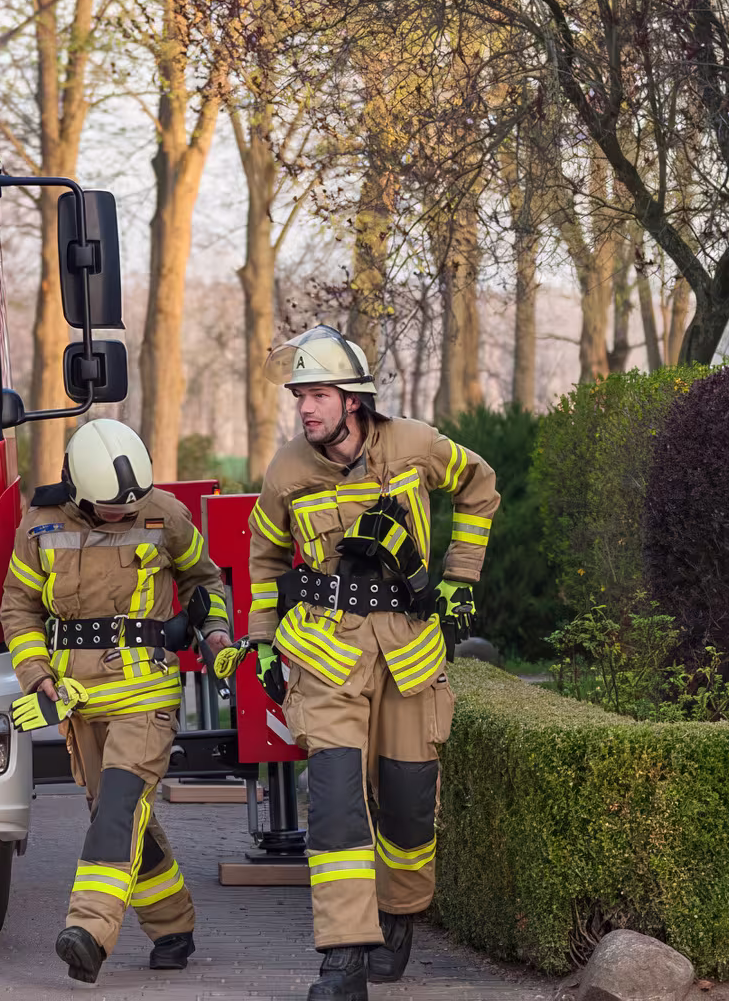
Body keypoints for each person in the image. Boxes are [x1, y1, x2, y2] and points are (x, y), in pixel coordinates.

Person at [243, 325, 500, 1001]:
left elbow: (480, 483)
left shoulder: (414, 444)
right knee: (334, 806)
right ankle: (343, 957)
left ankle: (398, 911)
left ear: (354, 400)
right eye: (300, 396)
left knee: (410, 808)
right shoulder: (287, 472)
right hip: (325, 656)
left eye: (318, 394)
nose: (305, 408)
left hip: (411, 654)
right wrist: (264, 640)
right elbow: (266, 562)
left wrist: (462, 577)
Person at [1, 418, 234, 983]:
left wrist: (215, 631)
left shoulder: (165, 513)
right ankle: (174, 925)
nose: (124, 514)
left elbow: (206, 581)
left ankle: (89, 933)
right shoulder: (39, 526)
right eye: (110, 507)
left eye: (132, 504)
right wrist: (37, 678)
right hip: (79, 702)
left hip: (147, 695)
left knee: (118, 810)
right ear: (79, 488)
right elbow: (20, 609)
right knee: (125, 819)